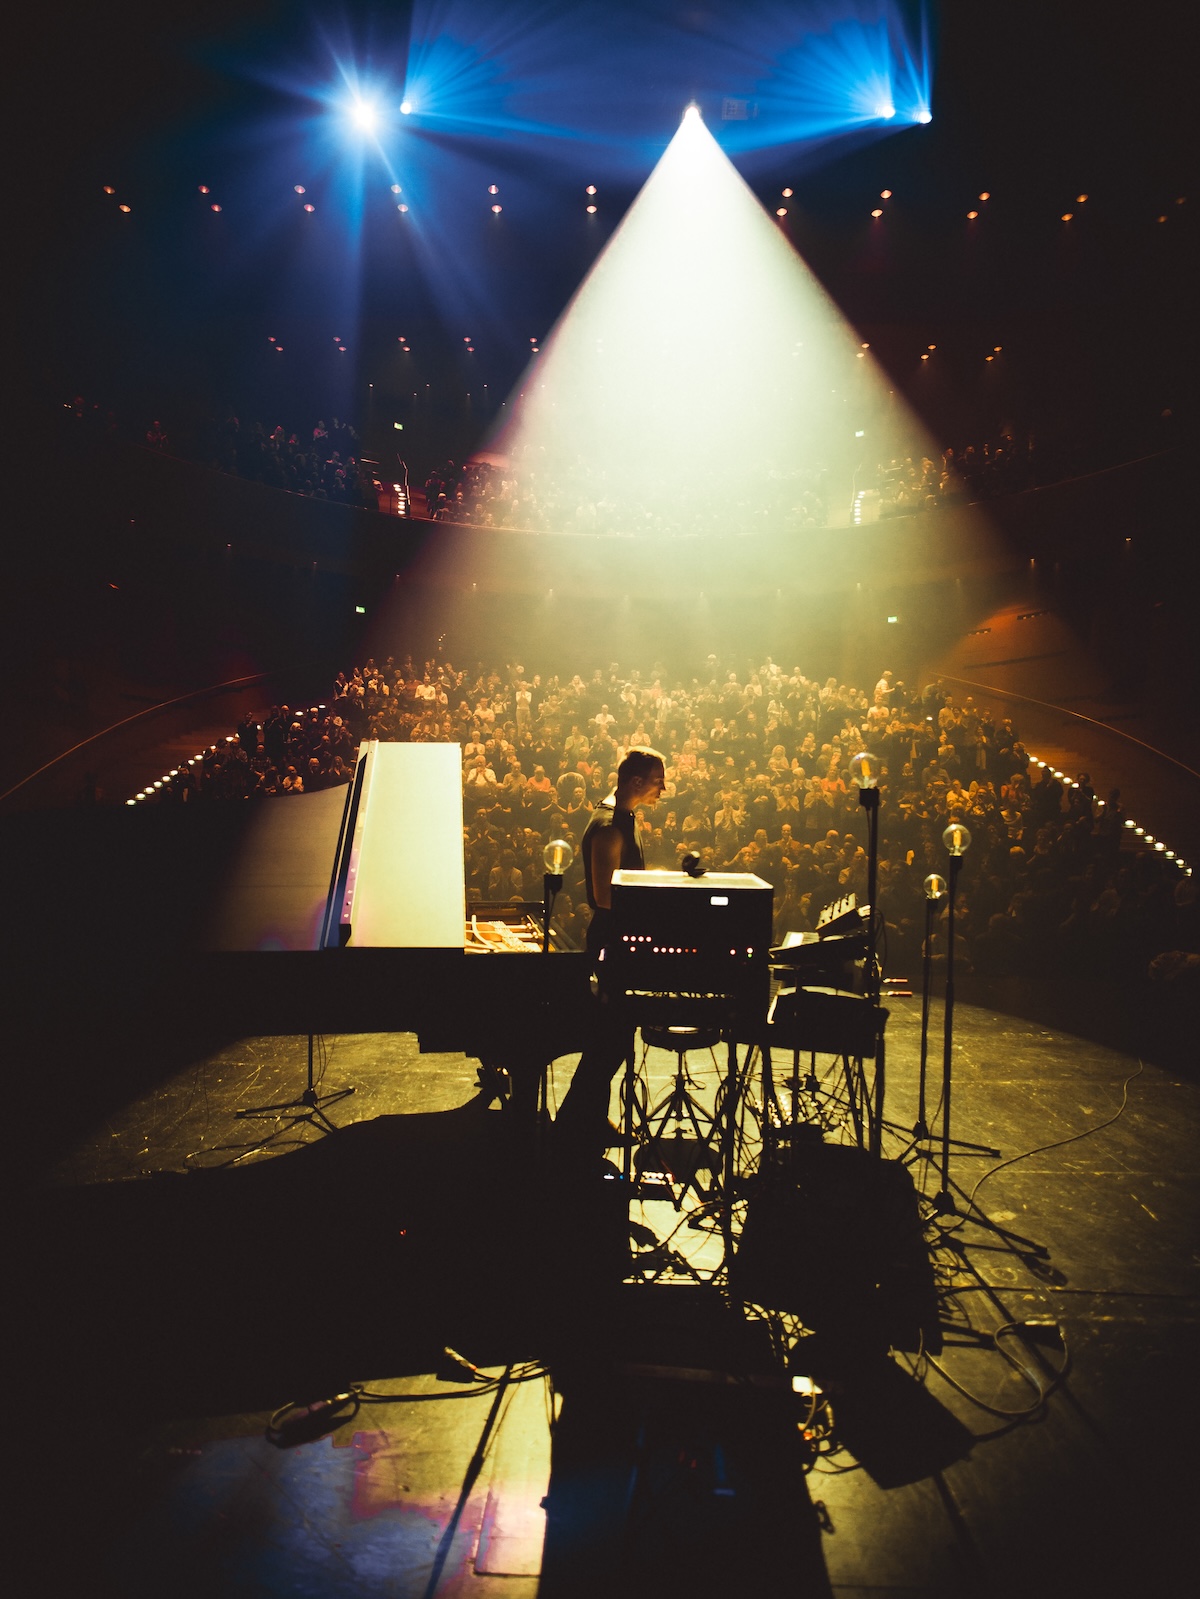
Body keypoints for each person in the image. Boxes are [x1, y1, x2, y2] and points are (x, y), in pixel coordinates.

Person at [555, 747, 667, 1149]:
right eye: (658, 781)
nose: (663, 789)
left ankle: (583, 1120)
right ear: (636, 782)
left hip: (619, 940)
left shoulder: (623, 816)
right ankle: (577, 1124)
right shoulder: (609, 828)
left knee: (611, 1041)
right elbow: (605, 897)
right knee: (609, 1040)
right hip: (611, 943)